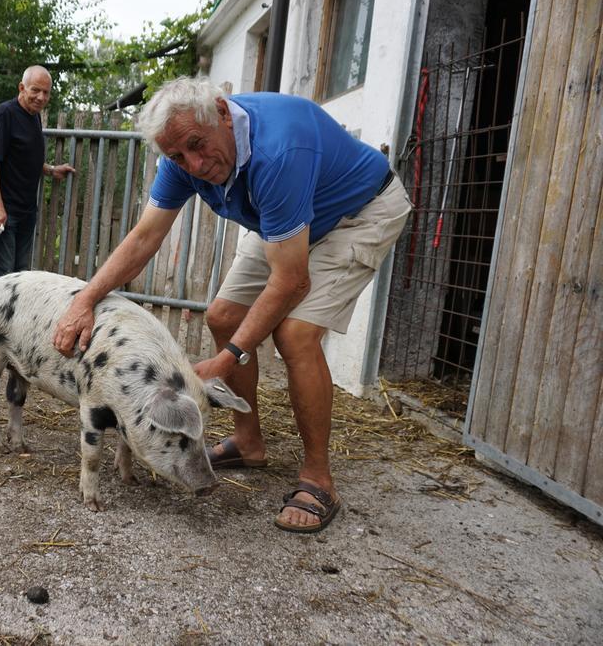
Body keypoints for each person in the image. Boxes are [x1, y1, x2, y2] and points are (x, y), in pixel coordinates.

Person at [53, 77, 411, 533]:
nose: (195, 165)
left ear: (223, 113)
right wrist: (85, 300)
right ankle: (249, 442)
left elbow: (291, 280)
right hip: (285, 221)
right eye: (179, 156)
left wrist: (228, 359)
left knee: (295, 335)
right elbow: (146, 236)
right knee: (222, 316)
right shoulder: (181, 154)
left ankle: (318, 477)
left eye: (198, 146)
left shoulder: (278, 150)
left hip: (357, 213)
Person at [0, 65, 75, 280]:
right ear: (21, 88)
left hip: (25, 212)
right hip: (5, 212)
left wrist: (51, 170)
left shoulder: (33, 117)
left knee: (20, 278)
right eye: (35, 90)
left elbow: (26, 158)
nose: (41, 97)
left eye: (46, 92)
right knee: (2, 278)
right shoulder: (5, 114)